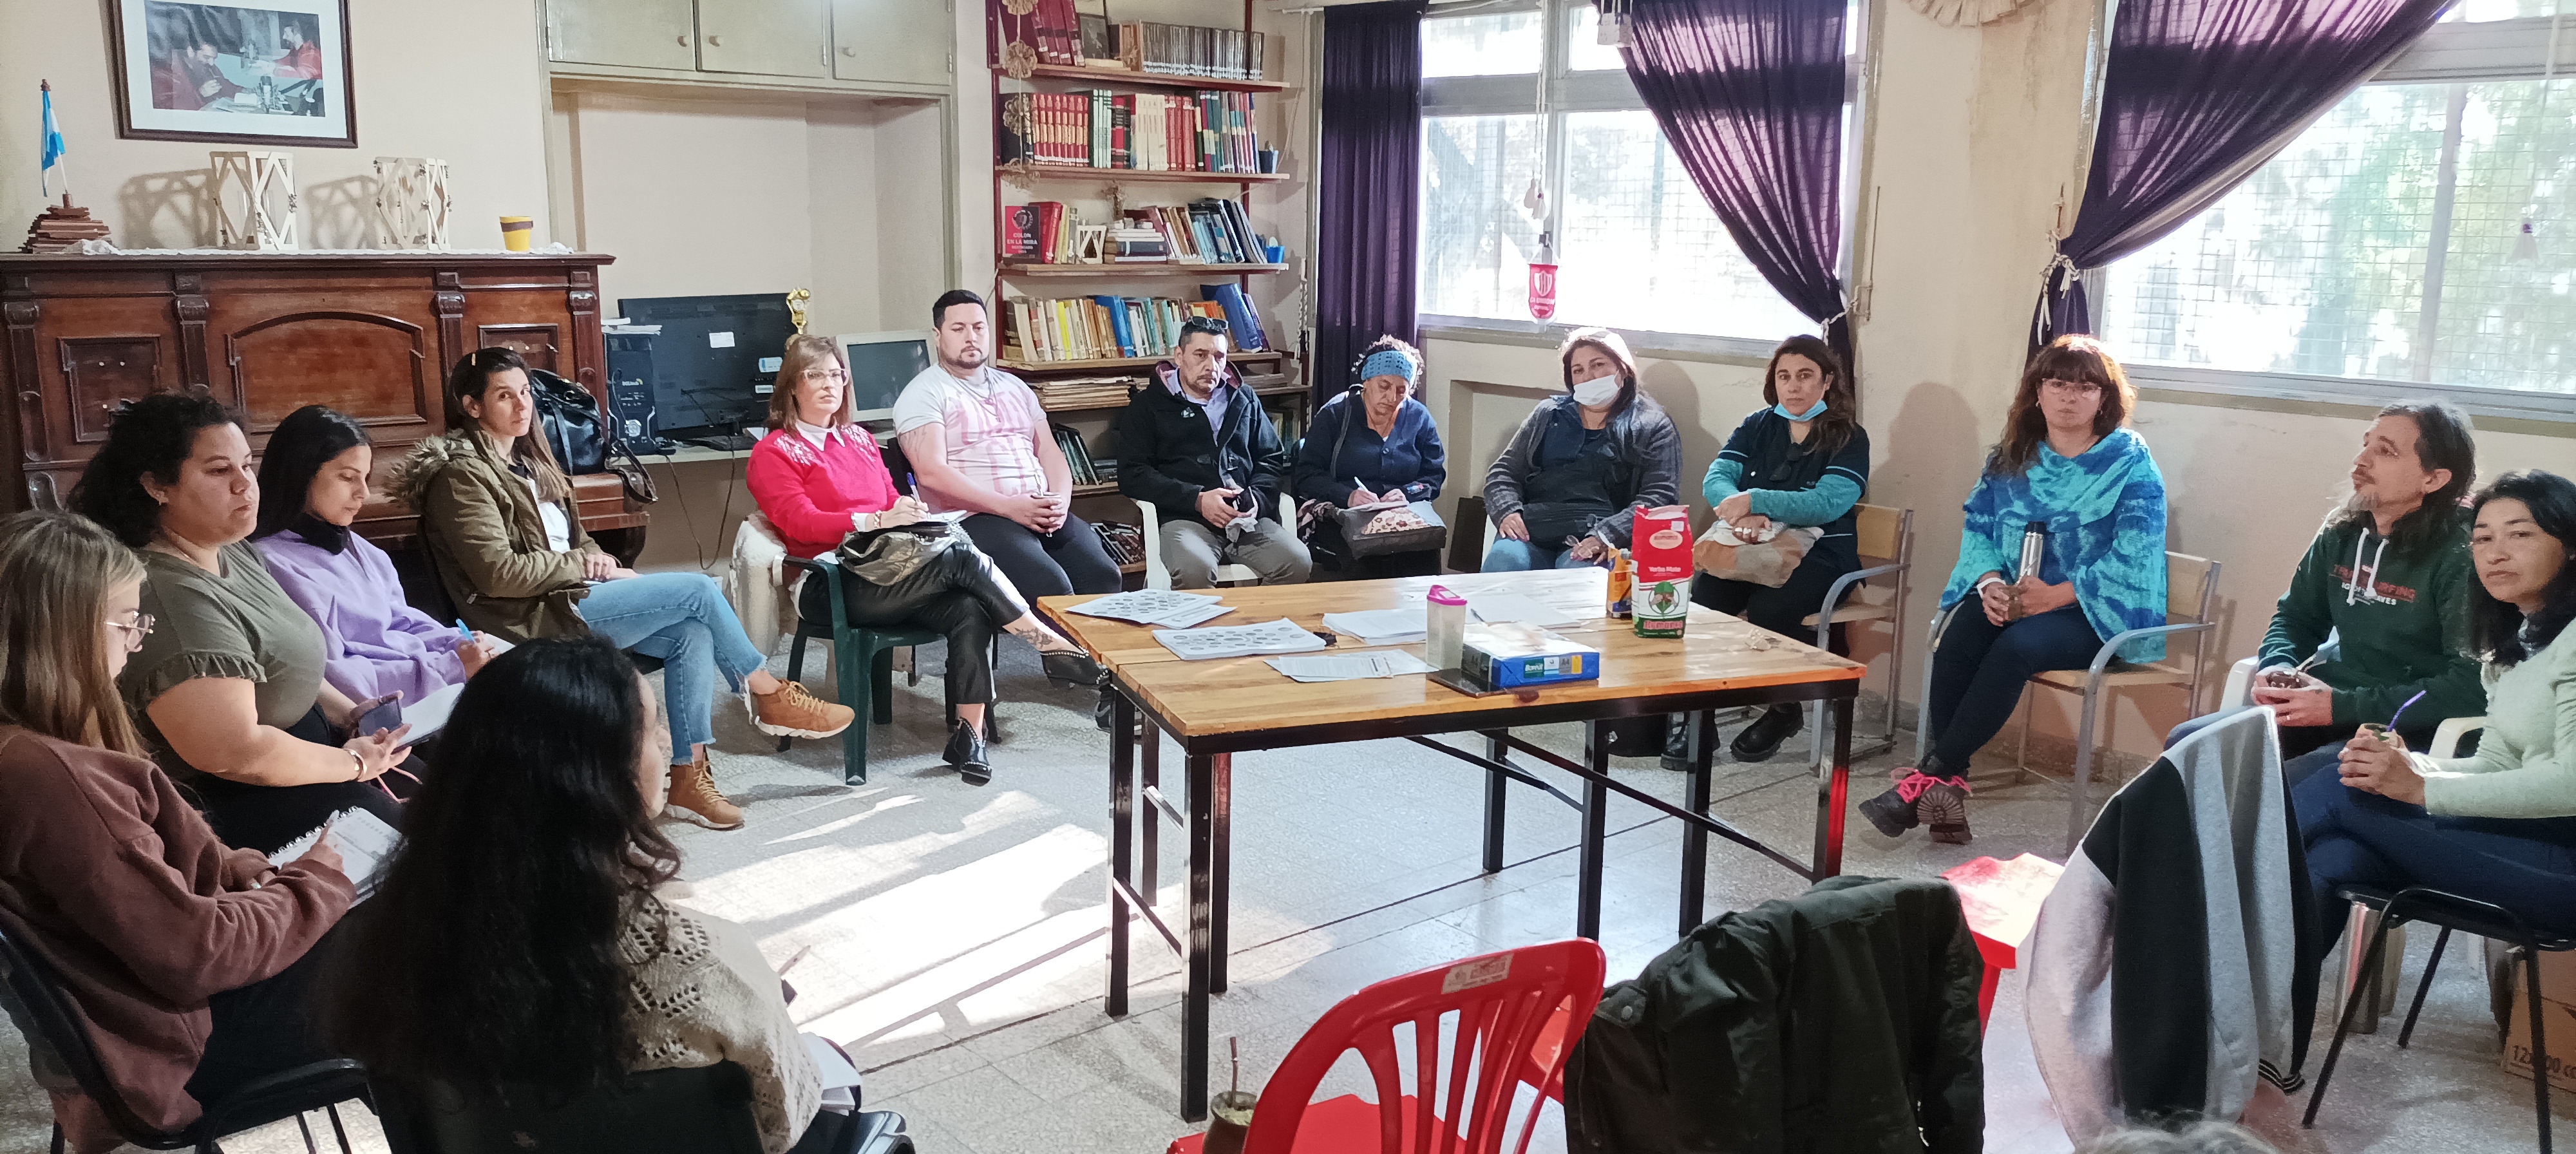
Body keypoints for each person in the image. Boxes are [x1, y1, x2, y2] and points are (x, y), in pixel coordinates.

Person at [323, 636, 863, 1154]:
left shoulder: (384, 943)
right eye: (651, 731)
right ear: (600, 777)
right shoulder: (705, 963)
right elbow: (783, 1124)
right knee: (838, 1074)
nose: (666, 744)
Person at [0, 510, 354, 1154]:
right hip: (172, 1048)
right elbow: (198, 953)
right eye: (126, 624)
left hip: (146, 1018)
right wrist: (315, 883)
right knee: (426, 952)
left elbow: (140, 877)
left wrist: (232, 866)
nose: (137, 643)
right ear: (63, 633)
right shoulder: (45, 776)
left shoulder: (30, 748)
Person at [393, 348, 853, 831]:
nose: (523, 405)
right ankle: (767, 692)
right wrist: (581, 566)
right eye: (505, 396)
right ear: (472, 406)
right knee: (699, 591)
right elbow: (498, 574)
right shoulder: (462, 476)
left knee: (692, 631)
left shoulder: (529, 461)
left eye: (526, 392)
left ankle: (688, 777)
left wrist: (604, 562)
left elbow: (575, 539)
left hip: (569, 595)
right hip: (529, 618)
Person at [746, 334, 1104, 785]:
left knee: (969, 605)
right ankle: (1047, 642)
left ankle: (969, 736)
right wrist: (876, 519)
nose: (829, 385)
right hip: (828, 582)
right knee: (960, 558)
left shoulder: (859, 439)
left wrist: (905, 509)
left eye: (837, 375)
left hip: (889, 569)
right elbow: (800, 523)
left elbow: (889, 497)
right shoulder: (773, 451)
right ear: (792, 386)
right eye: (815, 375)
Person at [71, 393, 409, 855]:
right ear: (157, 486)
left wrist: (350, 714)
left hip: (314, 765)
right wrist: (352, 763)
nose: (245, 485)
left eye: (247, 466)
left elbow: (280, 656)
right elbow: (234, 753)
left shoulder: (229, 547)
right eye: (218, 471)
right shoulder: (168, 595)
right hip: (244, 806)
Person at [1862, 336, 2168, 846]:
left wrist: (2057, 595)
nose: (2069, 396)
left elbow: (2136, 553)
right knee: (1960, 634)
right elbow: (1979, 527)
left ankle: (1929, 779)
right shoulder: (2012, 457)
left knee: (2014, 648)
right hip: (2020, 597)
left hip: (2096, 610)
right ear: (2037, 392)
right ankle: (1946, 790)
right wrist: (1989, 584)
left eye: (2085, 386)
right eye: (2058, 383)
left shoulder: (2130, 461)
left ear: (2104, 398)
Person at [2297, 470, 2576, 983]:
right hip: (2526, 839)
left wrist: (2421, 788)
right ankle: (2251, 1023)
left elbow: (2571, 784)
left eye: (2520, 534)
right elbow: (2496, 761)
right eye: (2483, 539)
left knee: (2337, 791)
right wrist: (2413, 766)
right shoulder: (2520, 639)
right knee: (2338, 854)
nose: (2495, 554)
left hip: (2565, 866)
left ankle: (2180, 884)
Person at [896, 290, 1125, 727]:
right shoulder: (924, 393)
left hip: (1037, 508)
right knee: (1049, 582)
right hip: (974, 517)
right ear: (938, 335)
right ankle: (1101, 686)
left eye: (978, 327)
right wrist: (1009, 508)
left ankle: (1097, 673)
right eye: (958, 328)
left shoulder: (1014, 387)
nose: (971, 337)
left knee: (1103, 574)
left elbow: (1050, 452)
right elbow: (931, 474)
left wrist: (1060, 501)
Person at [2228, 402, 2482, 782]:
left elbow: (2468, 685)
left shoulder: (2463, 554)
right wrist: (2278, 666)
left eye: (2385, 451)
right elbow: (2296, 618)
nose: (2361, 460)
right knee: (2193, 747)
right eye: (2366, 445)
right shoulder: (2342, 531)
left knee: (2292, 783)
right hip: (2329, 707)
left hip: (2406, 727)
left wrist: (2341, 707)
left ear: (2433, 479)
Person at [1692, 335, 1872, 762]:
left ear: (1827, 381)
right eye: (1784, 376)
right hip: (1752, 542)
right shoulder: (1757, 425)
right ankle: (1698, 714)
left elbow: (1827, 503)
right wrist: (1741, 512)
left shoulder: (1849, 436)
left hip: (1823, 552)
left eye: (1806, 376)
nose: (1794, 386)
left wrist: (1756, 501)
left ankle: (1784, 708)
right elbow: (1717, 479)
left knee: (1772, 609)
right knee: (1705, 602)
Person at [254, 404, 497, 707]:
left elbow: (402, 622)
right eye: (348, 477)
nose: (364, 493)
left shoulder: (361, 549)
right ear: (300, 475)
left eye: (365, 478)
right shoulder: (271, 564)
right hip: (383, 709)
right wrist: (449, 667)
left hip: (429, 685)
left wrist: (458, 643)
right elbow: (336, 677)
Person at [1121, 316, 1312, 589]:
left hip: (1246, 519)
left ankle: (1253, 617)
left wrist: (1255, 499)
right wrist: (1197, 499)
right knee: (1194, 571)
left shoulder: (1244, 398)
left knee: (1297, 562)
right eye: (1200, 355)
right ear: (1179, 356)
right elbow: (1133, 474)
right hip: (1185, 517)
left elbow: (1271, 458)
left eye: (1219, 357)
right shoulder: (1147, 406)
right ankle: (1203, 620)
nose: (1211, 366)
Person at [1480, 327, 1681, 572]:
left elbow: (1659, 497)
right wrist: (1507, 511)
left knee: (1581, 580)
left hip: (1597, 539)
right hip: (1532, 531)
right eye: (1578, 370)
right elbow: (1503, 473)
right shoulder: (1548, 414)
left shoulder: (1653, 425)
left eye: (1598, 365)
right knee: (1503, 564)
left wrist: (1608, 535)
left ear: (1623, 369)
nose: (1588, 377)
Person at [1289, 336, 1447, 579]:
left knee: (1423, 552)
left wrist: (1407, 493)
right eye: (1384, 386)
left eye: (1402, 390)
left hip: (1402, 512)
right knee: (1367, 557)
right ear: (1367, 381)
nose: (1392, 397)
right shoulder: (1336, 414)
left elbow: (1433, 475)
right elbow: (1307, 475)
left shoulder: (1419, 418)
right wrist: (1348, 495)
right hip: (1342, 511)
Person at [151, 35, 240, 111]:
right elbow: (167, 107)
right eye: (207, 57)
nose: (212, 63)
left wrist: (242, 91)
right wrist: (201, 94)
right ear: (191, 52)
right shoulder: (166, 70)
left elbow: (223, 85)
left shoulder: (206, 65)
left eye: (214, 59)